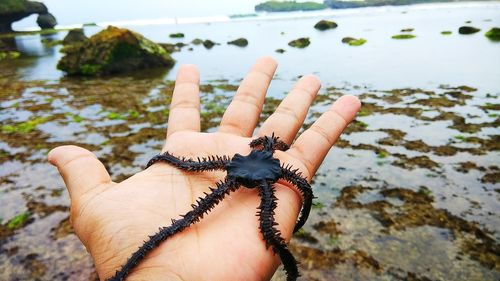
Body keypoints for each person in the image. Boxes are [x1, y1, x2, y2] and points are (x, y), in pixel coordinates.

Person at [48, 57, 361, 281]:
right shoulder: (253, 164)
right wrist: (164, 160)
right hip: (246, 170)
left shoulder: (262, 159)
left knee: (264, 230)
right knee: (188, 222)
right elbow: (182, 161)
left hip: (254, 170)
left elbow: (296, 186)